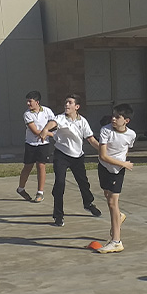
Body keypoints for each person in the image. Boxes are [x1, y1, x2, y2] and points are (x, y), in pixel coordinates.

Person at [40, 93, 101, 226]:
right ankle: (58, 215)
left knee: (83, 183)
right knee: (60, 183)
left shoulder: (82, 121)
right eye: (66, 102)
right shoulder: (61, 118)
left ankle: (88, 204)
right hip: (61, 155)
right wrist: (45, 129)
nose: (66, 105)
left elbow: (91, 139)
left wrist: (103, 151)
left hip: (77, 157)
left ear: (77, 107)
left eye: (70, 103)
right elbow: (53, 123)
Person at [95, 103, 136, 253]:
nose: (113, 119)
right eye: (113, 115)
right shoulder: (105, 130)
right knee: (107, 196)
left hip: (117, 171)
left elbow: (126, 149)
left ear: (126, 120)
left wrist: (122, 164)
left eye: (117, 117)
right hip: (104, 167)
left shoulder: (131, 135)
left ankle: (116, 242)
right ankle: (118, 216)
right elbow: (103, 155)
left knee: (112, 203)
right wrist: (124, 163)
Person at [16, 91, 55, 203]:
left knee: (41, 166)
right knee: (28, 167)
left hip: (44, 144)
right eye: (27, 101)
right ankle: (21, 188)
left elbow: (54, 123)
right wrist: (52, 134)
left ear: (37, 102)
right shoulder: (27, 114)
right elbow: (35, 131)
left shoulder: (47, 111)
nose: (28, 104)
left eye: (30, 101)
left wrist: (49, 132)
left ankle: (40, 192)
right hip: (31, 144)